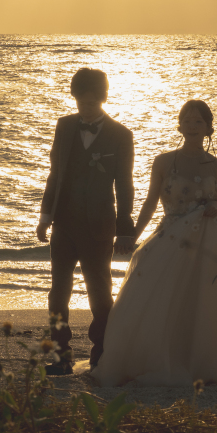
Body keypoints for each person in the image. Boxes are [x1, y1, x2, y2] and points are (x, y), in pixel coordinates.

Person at [89, 100, 217, 386]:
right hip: (170, 238)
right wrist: (132, 236)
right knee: (159, 300)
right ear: (179, 125)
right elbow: (150, 202)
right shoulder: (164, 161)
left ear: (208, 128)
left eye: (198, 121)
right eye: (187, 120)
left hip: (210, 243)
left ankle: (203, 362)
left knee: (208, 302)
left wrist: (215, 207)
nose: (192, 125)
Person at [36, 68, 136, 375]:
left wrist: (124, 230)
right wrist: (45, 216)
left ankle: (101, 354)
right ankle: (59, 355)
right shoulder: (64, 126)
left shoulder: (121, 135)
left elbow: (125, 185)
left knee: (100, 294)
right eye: (81, 101)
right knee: (58, 293)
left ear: (103, 98)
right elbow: (55, 173)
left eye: (92, 101)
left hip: (100, 227)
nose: (86, 106)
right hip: (64, 224)